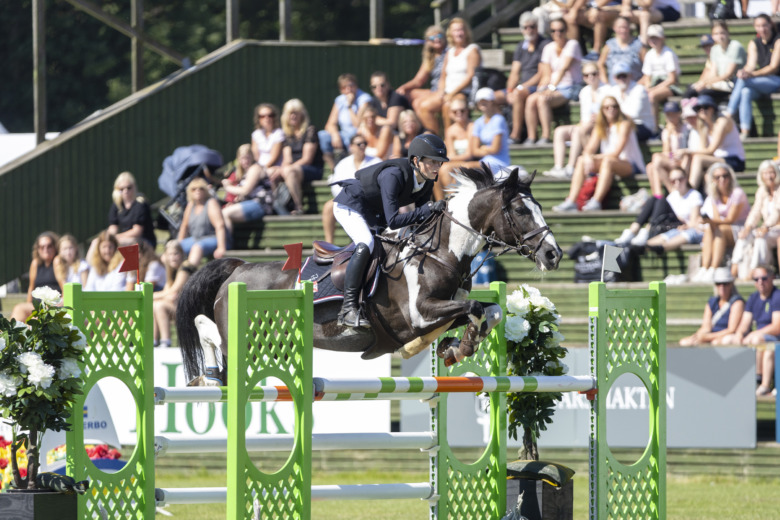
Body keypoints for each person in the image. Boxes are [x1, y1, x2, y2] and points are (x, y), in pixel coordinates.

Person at [332, 134, 449, 328]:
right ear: (415, 161)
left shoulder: (427, 180)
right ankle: (348, 309)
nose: (437, 168)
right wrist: (429, 209)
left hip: (373, 211)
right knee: (366, 243)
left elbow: (422, 219)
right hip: (351, 205)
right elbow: (394, 221)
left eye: (440, 163)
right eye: (433, 162)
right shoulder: (393, 175)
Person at [552, 95, 644, 212]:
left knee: (607, 161)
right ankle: (571, 201)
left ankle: (596, 201)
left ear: (618, 108)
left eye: (614, 106)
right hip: (610, 163)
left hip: (631, 164)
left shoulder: (624, 124)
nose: (611, 109)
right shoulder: (601, 126)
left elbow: (616, 152)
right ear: (602, 110)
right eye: (607, 107)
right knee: (581, 160)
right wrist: (588, 156)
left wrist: (593, 157)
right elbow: (589, 149)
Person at [436, 88, 509, 199]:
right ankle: (446, 200)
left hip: (497, 162)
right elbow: (475, 150)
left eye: (486, 100)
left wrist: (484, 149)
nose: (483, 103)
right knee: (443, 171)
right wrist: (485, 148)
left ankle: (452, 199)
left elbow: (495, 149)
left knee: (462, 168)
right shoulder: (479, 122)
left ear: (492, 102)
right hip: (484, 161)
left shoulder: (497, 120)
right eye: (480, 101)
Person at [720, 264, 780, 396]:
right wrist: (740, 334)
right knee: (727, 340)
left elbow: (776, 327)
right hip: (759, 337)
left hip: (775, 339)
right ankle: (728, 382)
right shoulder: (753, 298)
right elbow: (745, 322)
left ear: (772, 278)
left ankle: (761, 383)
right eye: (756, 279)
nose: (760, 282)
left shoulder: (777, 296)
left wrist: (754, 333)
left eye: (764, 278)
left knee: (758, 341)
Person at [415, 18, 481, 135]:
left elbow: (470, 76)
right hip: (447, 92)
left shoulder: (472, 50)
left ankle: (448, 139)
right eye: (455, 30)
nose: (458, 33)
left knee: (447, 106)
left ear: (466, 32)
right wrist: (441, 91)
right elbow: (443, 75)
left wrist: (452, 93)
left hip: (464, 92)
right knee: (424, 107)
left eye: (461, 30)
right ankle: (435, 140)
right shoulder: (450, 52)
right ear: (451, 34)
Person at [523, 18, 582, 146]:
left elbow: (564, 69)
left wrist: (551, 88)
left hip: (570, 87)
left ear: (566, 31)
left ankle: (545, 136)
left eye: (561, 30)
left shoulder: (573, 44)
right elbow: (546, 74)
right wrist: (542, 89)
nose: (557, 33)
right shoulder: (548, 48)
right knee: (531, 99)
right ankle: (532, 136)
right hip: (554, 87)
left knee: (542, 100)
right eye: (554, 30)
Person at [614, 168, 703, 251]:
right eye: (673, 181)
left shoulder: (694, 195)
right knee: (654, 198)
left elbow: (693, 222)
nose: (677, 183)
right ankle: (633, 230)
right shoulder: (673, 196)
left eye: (680, 179)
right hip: (668, 224)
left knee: (660, 199)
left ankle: (645, 231)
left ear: (686, 178)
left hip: (681, 226)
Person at [545, 60, 605, 179]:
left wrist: (596, 119)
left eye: (594, 74)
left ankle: (571, 167)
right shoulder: (584, 92)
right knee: (559, 131)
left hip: (602, 127)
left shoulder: (608, 90)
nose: (591, 77)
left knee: (579, 130)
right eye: (586, 75)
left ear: (599, 74)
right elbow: (585, 117)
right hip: (587, 125)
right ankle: (558, 167)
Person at [691, 162, 750, 283]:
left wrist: (709, 221)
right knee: (709, 228)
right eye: (717, 177)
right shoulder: (713, 196)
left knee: (719, 229)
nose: (722, 179)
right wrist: (708, 221)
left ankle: (714, 268)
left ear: (730, 177)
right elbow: (716, 220)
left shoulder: (737, 193)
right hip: (723, 229)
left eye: (725, 175)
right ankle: (705, 267)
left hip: (740, 230)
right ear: (713, 179)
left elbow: (730, 219)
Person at [726, 14, 780, 141]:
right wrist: (743, 72)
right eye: (758, 26)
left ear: (770, 25)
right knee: (745, 91)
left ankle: (728, 114)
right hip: (760, 82)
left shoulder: (778, 41)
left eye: (764, 25)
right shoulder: (754, 43)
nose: (762, 29)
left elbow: (773, 67)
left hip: (776, 80)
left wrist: (750, 75)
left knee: (745, 81)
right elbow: (750, 65)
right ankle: (745, 131)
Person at [676, 94, 745, 191]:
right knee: (693, 160)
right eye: (699, 108)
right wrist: (687, 153)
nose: (702, 110)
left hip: (734, 160)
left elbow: (710, 150)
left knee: (698, 158)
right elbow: (703, 148)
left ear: (713, 108)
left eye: (706, 107)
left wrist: (687, 151)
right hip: (717, 159)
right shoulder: (704, 125)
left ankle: (690, 190)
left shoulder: (722, 121)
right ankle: (681, 185)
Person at [322, 135, 381, 243]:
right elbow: (335, 186)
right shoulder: (343, 164)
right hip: (347, 200)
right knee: (328, 207)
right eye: (359, 144)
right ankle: (329, 245)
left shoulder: (376, 161)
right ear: (351, 147)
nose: (362, 146)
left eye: (364, 143)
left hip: (369, 200)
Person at [273, 98, 324, 215]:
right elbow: (287, 159)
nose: (293, 116)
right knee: (273, 173)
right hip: (294, 169)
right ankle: (278, 207)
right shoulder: (286, 134)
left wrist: (287, 169)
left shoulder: (310, 130)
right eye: (290, 113)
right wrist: (282, 169)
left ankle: (299, 206)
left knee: (289, 171)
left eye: (296, 112)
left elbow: (307, 159)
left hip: (312, 169)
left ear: (302, 114)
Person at [731, 160, 780, 280]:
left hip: (776, 228)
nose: (769, 176)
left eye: (772, 172)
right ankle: (735, 266)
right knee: (743, 237)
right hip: (768, 228)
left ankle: (755, 270)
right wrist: (747, 228)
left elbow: (777, 213)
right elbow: (755, 211)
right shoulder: (762, 191)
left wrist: (765, 226)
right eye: (766, 173)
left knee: (760, 238)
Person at [505, 12, 550, 143]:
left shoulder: (544, 44)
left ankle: (516, 135)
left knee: (518, 94)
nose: (529, 30)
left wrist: (520, 87)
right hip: (521, 87)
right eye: (526, 27)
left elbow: (541, 73)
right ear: (521, 29)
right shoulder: (520, 46)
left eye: (532, 26)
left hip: (536, 86)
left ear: (537, 27)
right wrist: (509, 90)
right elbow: (514, 72)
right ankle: (495, 139)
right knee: (492, 97)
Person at [679, 267, 745, 346]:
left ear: (731, 284)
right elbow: (706, 327)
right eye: (718, 284)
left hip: (726, 336)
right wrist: (697, 336)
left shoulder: (737, 302)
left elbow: (731, 330)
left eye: (725, 283)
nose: (722, 287)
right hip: (712, 335)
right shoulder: (712, 302)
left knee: (717, 342)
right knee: (685, 342)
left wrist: (708, 337)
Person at [319, 73, 372, 168]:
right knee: (322, 135)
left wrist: (350, 106)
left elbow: (357, 124)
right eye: (344, 87)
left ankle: (352, 168)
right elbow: (330, 124)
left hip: (358, 133)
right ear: (341, 90)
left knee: (352, 135)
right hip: (343, 135)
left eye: (351, 86)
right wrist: (335, 134)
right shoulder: (339, 100)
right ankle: (334, 169)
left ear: (356, 86)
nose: (348, 90)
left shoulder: (364, 99)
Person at [686, 22, 746, 104]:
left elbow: (728, 74)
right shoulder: (714, 49)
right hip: (718, 84)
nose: (720, 36)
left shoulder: (735, 46)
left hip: (733, 84)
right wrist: (701, 83)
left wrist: (705, 83)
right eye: (716, 34)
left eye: (722, 33)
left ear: (728, 33)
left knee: (702, 93)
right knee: (690, 90)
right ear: (712, 36)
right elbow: (713, 73)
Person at [152, 239, 196, 348]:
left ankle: (165, 342)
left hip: (193, 310)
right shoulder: (170, 271)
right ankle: (153, 341)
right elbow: (168, 294)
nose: (173, 257)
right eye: (170, 254)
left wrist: (150, 295)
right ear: (166, 256)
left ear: (182, 254)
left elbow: (173, 291)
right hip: (179, 307)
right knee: (155, 304)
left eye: (176, 253)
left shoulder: (186, 267)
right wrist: (165, 296)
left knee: (159, 305)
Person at [178, 177, 230, 267]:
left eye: (201, 188)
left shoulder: (211, 203)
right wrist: (178, 244)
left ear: (205, 190)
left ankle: (189, 274)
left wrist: (221, 247)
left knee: (197, 247)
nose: (197, 191)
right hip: (196, 238)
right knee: (172, 248)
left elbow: (219, 226)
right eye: (194, 189)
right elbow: (184, 226)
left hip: (215, 238)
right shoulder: (191, 205)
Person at [646, 101, 694, 196]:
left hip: (685, 159)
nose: (671, 117)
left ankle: (674, 192)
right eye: (668, 115)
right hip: (672, 159)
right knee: (651, 166)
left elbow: (690, 147)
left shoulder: (687, 128)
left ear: (679, 113)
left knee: (656, 159)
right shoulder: (666, 131)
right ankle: (660, 194)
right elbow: (666, 152)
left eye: (673, 114)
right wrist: (668, 137)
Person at [11, 231, 61, 323]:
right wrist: (28, 305)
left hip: (53, 305)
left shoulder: (57, 261)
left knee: (34, 320)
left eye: (49, 246)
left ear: (55, 247)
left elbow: (64, 287)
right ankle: (11, 336)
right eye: (42, 247)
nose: (45, 249)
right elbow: (31, 287)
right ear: (37, 249)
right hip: (36, 304)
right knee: (19, 309)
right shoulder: (35, 263)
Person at [221, 143, 271, 234]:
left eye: (247, 158)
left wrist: (228, 187)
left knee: (225, 213)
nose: (245, 161)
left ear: (252, 157)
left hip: (261, 205)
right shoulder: (244, 172)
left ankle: (225, 245)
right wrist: (234, 203)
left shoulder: (255, 168)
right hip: (249, 203)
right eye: (242, 158)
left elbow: (245, 190)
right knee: (223, 212)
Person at [602, 60, 656, 141]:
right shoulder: (613, 91)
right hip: (620, 124)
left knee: (622, 129)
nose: (621, 79)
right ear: (614, 78)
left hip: (642, 126)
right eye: (619, 76)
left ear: (630, 76)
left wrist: (610, 115)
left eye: (624, 75)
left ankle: (615, 153)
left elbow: (634, 114)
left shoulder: (639, 89)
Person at [397, 26, 448, 106]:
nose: (436, 39)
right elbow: (418, 80)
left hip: (446, 90)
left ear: (445, 37)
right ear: (427, 41)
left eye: (439, 36)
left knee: (418, 103)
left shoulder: (450, 52)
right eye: (432, 37)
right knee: (405, 94)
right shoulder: (430, 57)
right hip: (434, 90)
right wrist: (403, 87)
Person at [107, 171, 156, 249]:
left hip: (144, 241)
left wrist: (116, 237)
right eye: (122, 189)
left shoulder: (140, 204)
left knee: (126, 242)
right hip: (124, 239)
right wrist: (108, 238)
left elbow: (137, 231)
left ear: (134, 187)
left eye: (129, 187)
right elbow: (113, 227)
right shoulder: (116, 205)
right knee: (99, 242)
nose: (126, 191)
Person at [640, 25, 682, 114]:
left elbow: (672, 79)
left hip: (669, 87)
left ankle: (654, 126)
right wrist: (647, 87)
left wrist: (653, 89)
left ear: (662, 38)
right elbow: (647, 77)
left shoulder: (668, 54)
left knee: (652, 95)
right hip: (655, 85)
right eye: (651, 38)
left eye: (656, 38)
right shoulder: (649, 55)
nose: (653, 41)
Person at [597, 16, 644, 85]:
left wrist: (638, 85)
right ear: (614, 28)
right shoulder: (609, 45)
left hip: (634, 85)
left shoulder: (638, 45)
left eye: (625, 27)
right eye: (620, 27)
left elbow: (646, 66)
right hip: (614, 86)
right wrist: (606, 82)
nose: (623, 30)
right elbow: (600, 64)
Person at [250, 103, 284, 172]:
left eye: (270, 115)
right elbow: (255, 156)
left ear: (274, 117)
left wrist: (262, 170)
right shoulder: (256, 134)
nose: (267, 118)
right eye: (262, 116)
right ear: (258, 119)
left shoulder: (279, 133)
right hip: (258, 169)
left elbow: (274, 158)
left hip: (274, 168)